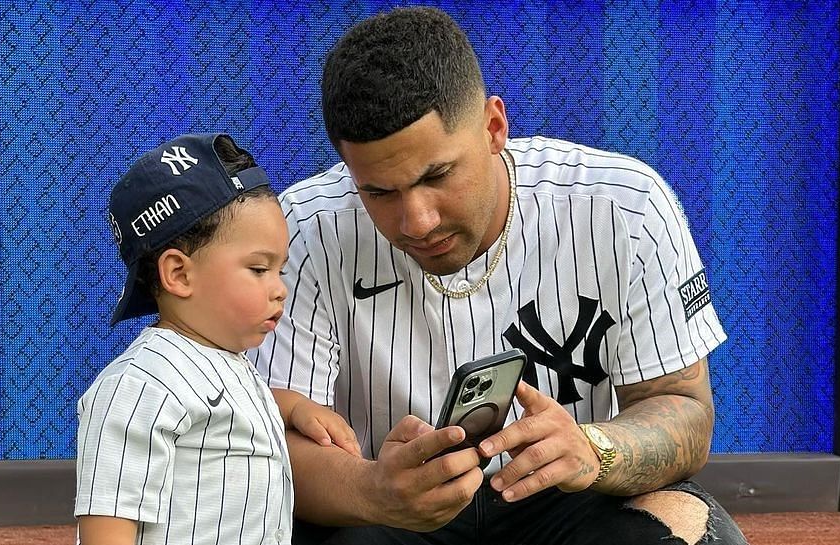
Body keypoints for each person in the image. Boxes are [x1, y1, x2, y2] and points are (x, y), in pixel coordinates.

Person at [251, 7, 748, 545]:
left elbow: (684, 408)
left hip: (571, 500)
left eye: (437, 175)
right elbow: (275, 447)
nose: (416, 220)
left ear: (494, 127)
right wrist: (376, 489)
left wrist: (594, 450)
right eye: (379, 191)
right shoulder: (303, 227)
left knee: (689, 529)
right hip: (387, 515)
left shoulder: (626, 207)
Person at [74, 133, 360, 545]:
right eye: (259, 269)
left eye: (281, 270)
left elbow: (233, 410)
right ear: (179, 274)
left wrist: (293, 407)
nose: (280, 289)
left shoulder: (228, 360)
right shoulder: (138, 385)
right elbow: (108, 521)